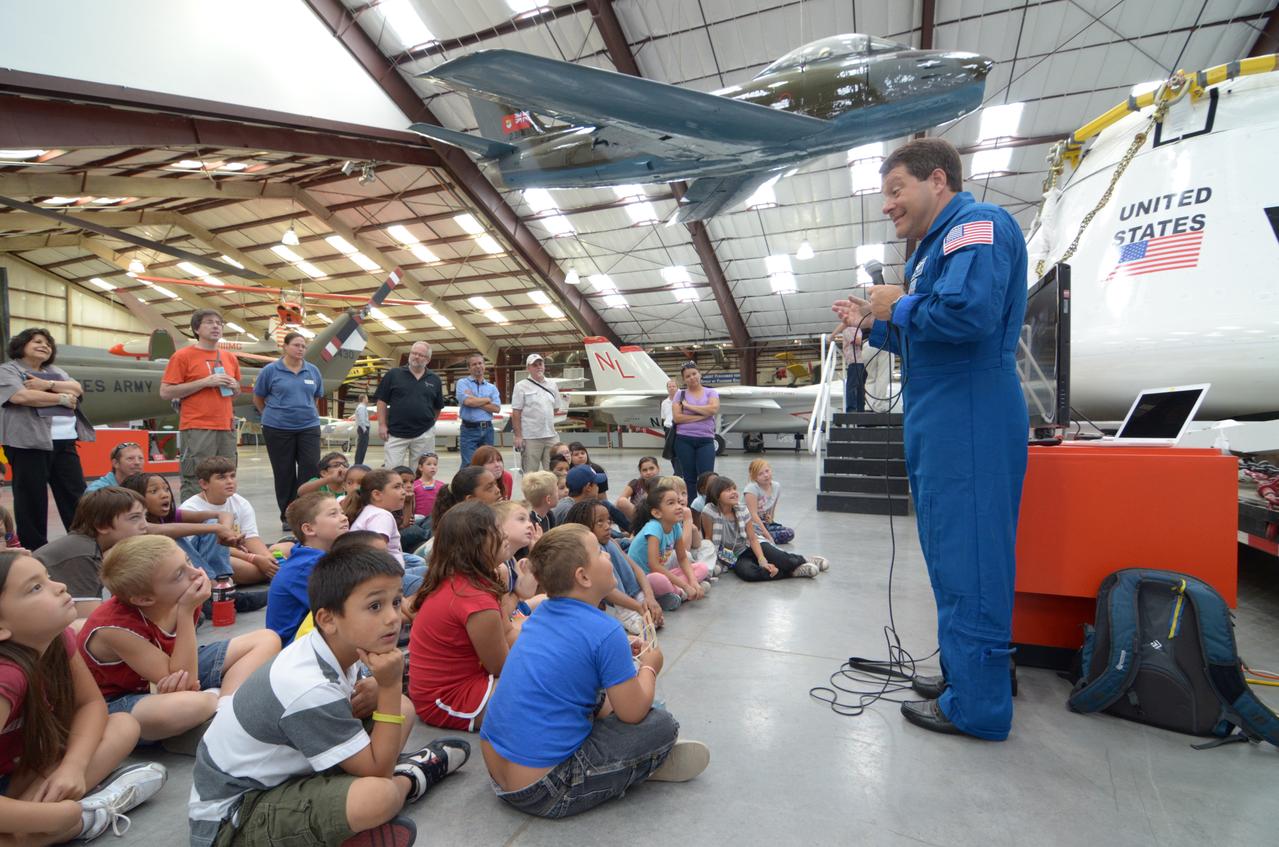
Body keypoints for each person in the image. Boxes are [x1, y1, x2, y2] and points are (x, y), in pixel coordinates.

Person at [833, 137, 1029, 740]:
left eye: (896, 191)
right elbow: (930, 332)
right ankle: (962, 677)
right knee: (949, 556)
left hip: (968, 413)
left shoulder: (978, 226)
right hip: (940, 414)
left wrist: (899, 305)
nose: (888, 206)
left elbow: (968, 317)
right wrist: (872, 323)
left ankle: (980, 707)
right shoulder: (931, 251)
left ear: (937, 179)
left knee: (970, 559)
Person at [187, 546, 471, 847]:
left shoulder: (335, 647)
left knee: (402, 708)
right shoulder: (307, 686)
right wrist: (387, 687)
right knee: (380, 794)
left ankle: (342, 821)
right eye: (375, 606)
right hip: (234, 820)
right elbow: (377, 771)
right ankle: (411, 775)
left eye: (396, 601)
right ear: (328, 619)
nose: (393, 617)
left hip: (288, 776)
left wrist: (378, 691)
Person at [478, 524, 708, 818]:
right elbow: (633, 712)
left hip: (498, 773)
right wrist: (650, 667)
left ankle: (624, 763)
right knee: (661, 723)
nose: (608, 555)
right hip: (546, 790)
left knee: (598, 694)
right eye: (599, 552)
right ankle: (638, 765)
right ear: (583, 576)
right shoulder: (606, 630)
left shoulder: (542, 612)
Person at [0, 551, 168, 844]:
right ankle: (89, 815)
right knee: (34, 832)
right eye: (35, 588)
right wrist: (61, 817)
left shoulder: (57, 640)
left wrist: (73, 767)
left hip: (21, 772)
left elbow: (91, 704)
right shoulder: (6, 678)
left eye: (47, 577)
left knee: (123, 725)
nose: (60, 586)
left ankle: (45, 822)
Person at [77, 535, 280, 746]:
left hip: (169, 672)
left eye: (188, 561)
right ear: (145, 599)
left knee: (267, 639)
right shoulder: (115, 627)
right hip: (118, 700)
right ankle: (215, 701)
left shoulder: (178, 595)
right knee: (189, 705)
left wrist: (186, 610)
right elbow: (186, 684)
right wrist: (186, 612)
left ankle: (224, 708)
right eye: (179, 574)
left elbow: (180, 673)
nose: (196, 573)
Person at [408, 502, 515, 731]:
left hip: (450, 687)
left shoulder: (463, 580)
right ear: (475, 544)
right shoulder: (474, 598)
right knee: (549, 693)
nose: (505, 533)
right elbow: (502, 666)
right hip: (447, 698)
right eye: (497, 529)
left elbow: (508, 633)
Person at [0, 327, 93, 551]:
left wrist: (47, 385)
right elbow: (21, 396)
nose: (44, 346)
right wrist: (61, 398)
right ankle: (36, 551)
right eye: (36, 341)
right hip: (27, 443)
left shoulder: (55, 371)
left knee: (76, 497)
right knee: (31, 501)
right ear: (21, 345)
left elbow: (77, 389)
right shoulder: (7, 370)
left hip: (65, 442)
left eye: (48, 343)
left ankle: (84, 546)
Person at [160, 309, 242, 501]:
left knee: (227, 477)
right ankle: (193, 525)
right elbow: (165, 392)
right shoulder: (182, 356)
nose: (216, 326)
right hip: (197, 426)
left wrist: (236, 387)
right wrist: (205, 382)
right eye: (209, 322)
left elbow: (234, 395)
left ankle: (223, 521)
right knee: (197, 477)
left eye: (219, 323)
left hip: (226, 426)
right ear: (196, 328)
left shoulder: (230, 358)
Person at [34, 487, 149, 619]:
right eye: (135, 518)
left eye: (144, 516)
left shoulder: (87, 546)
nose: (145, 525)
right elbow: (90, 622)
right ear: (102, 526)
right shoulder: (82, 554)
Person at [253, 331, 325, 529]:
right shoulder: (271, 371)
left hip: (308, 427)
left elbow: (315, 398)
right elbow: (258, 398)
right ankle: (288, 516)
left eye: (303, 346)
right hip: (277, 428)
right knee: (284, 473)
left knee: (310, 470)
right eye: (296, 345)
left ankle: (305, 513)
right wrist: (270, 415)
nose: (300, 349)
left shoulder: (313, 371)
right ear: (285, 347)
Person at [119, 472, 240, 583]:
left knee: (213, 522)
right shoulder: (134, 524)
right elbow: (161, 531)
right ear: (137, 499)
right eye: (154, 491)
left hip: (188, 571)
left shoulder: (170, 515)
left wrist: (225, 533)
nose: (164, 495)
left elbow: (224, 514)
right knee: (172, 538)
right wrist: (216, 529)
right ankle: (211, 587)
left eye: (166, 489)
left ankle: (222, 585)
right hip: (156, 579)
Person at [701, 476, 825, 582]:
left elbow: (753, 539)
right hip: (734, 556)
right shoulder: (709, 512)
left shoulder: (742, 510)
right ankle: (792, 573)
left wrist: (762, 560)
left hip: (750, 546)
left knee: (783, 559)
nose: (734, 492)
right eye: (728, 490)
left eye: (734, 488)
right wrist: (721, 561)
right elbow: (709, 540)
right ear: (716, 495)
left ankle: (805, 560)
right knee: (749, 574)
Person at [565, 500, 663, 633]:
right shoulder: (585, 551)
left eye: (609, 521)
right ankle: (624, 612)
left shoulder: (611, 542)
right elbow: (607, 590)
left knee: (653, 615)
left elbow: (635, 568)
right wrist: (638, 607)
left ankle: (639, 600)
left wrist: (649, 598)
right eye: (600, 521)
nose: (607, 526)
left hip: (633, 594)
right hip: (614, 602)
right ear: (583, 526)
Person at [179, 456, 277, 585]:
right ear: (204, 484)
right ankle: (224, 585)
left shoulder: (241, 502)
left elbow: (251, 538)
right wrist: (253, 558)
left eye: (232, 476)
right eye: (222, 477)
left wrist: (267, 558)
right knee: (232, 561)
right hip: (205, 559)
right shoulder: (191, 508)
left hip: (238, 554)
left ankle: (272, 572)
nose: (230, 481)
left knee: (283, 550)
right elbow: (207, 551)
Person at [267, 493, 349, 645]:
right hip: (296, 648)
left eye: (342, 512)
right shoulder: (307, 567)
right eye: (333, 514)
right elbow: (345, 610)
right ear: (309, 529)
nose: (344, 518)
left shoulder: (310, 556)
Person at [628, 483, 709, 608]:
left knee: (702, 568)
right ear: (657, 513)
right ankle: (681, 593)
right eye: (671, 503)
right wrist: (686, 586)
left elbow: (682, 558)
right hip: (644, 580)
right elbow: (654, 567)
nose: (678, 506)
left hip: (663, 571)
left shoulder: (675, 526)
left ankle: (677, 593)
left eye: (678, 502)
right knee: (658, 579)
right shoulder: (654, 528)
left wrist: (693, 581)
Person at [374, 341, 444, 471]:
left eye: (421, 355)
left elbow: (438, 407)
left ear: (428, 359)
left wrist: (430, 424)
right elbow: (381, 401)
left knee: (421, 473)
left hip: (424, 434)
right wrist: (382, 425)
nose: (416, 356)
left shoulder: (435, 379)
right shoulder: (393, 374)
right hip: (395, 433)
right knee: (392, 471)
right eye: (413, 353)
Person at [510, 353, 564, 474]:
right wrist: (518, 436)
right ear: (528, 368)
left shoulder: (552, 385)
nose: (539, 367)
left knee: (554, 472)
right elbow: (516, 412)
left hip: (551, 435)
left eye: (540, 364)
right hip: (530, 438)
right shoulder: (520, 386)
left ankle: (552, 493)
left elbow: (555, 408)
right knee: (530, 474)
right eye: (534, 365)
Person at [671, 362, 719, 495]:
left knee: (708, 477)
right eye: (688, 376)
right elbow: (677, 418)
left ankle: (707, 509)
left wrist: (689, 407)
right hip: (684, 440)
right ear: (684, 379)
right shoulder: (679, 395)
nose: (692, 377)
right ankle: (692, 511)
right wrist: (702, 416)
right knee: (689, 478)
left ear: (699, 374)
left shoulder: (711, 392)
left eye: (694, 374)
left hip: (706, 440)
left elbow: (713, 409)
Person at [456, 352, 501, 467]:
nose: (478, 366)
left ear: (484, 365)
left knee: (487, 463)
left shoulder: (492, 387)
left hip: (487, 430)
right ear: (469, 368)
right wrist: (486, 399)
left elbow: (496, 408)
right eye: (474, 364)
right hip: (469, 430)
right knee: (468, 464)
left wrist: (475, 401)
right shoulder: (462, 383)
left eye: (480, 363)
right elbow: (467, 402)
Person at [743, 459, 794, 545]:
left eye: (767, 471)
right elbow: (753, 515)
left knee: (789, 533)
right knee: (772, 535)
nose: (766, 475)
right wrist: (768, 536)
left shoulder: (776, 486)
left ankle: (759, 538)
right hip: (750, 524)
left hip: (763, 522)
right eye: (760, 474)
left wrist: (770, 520)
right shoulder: (751, 489)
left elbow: (771, 508)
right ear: (754, 477)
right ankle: (756, 538)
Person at [617, 456, 661, 523]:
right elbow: (618, 503)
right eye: (644, 470)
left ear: (658, 469)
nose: (648, 472)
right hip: (636, 520)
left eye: (651, 468)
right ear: (640, 472)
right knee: (621, 501)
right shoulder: (635, 483)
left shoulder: (664, 483)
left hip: (657, 519)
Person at [839, 325, 868, 413]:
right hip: (855, 360)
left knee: (861, 387)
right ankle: (851, 408)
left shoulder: (857, 329)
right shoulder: (849, 329)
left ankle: (860, 408)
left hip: (861, 361)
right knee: (853, 385)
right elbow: (857, 341)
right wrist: (868, 339)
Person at [520, 470, 559, 535]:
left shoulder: (549, 515)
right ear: (548, 499)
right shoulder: (529, 524)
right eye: (557, 491)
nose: (558, 495)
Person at [659, 379, 683, 477]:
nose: (672, 388)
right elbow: (663, 417)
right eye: (670, 386)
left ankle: (678, 474)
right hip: (668, 429)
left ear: (677, 388)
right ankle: (677, 472)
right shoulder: (664, 403)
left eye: (674, 386)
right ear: (667, 388)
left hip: (680, 428)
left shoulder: (682, 401)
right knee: (670, 453)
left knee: (679, 452)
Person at [411, 452, 441, 521]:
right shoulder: (414, 485)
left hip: (435, 519)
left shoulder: (441, 485)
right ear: (420, 467)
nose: (433, 467)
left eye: (435, 464)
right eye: (429, 464)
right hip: (418, 520)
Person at [353, 393, 371, 466]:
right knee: (362, 448)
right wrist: (365, 430)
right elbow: (361, 419)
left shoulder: (362, 407)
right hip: (363, 429)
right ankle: (358, 464)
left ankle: (358, 463)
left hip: (362, 428)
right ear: (363, 399)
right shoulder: (361, 407)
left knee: (361, 447)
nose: (368, 399)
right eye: (367, 398)